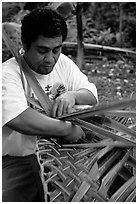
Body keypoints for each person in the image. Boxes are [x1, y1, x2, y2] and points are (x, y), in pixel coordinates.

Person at [2, 7, 98, 202]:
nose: (50, 59)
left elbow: (91, 95)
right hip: (18, 160)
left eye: (57, 49)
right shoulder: (8, 74)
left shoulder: (63, 63)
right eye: (42, 50)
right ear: (25, 44)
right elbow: (18, 117)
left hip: (62, 155)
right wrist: (67, 130)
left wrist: (72, 95)